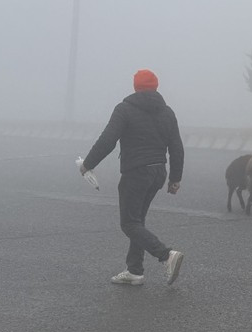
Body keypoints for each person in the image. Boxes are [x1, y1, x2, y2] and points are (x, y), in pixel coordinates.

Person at [79, 69, 185, 286]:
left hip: (136, 173)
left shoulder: (125, 109)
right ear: (156, 87)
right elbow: (177, 147)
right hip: (158, 172)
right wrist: (175, 178)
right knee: (138, 221)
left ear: (135, 87)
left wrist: (87, 164)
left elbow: (107, 141)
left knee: (129, 223)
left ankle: (166, 255)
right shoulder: (167, 112)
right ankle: (134, 270)